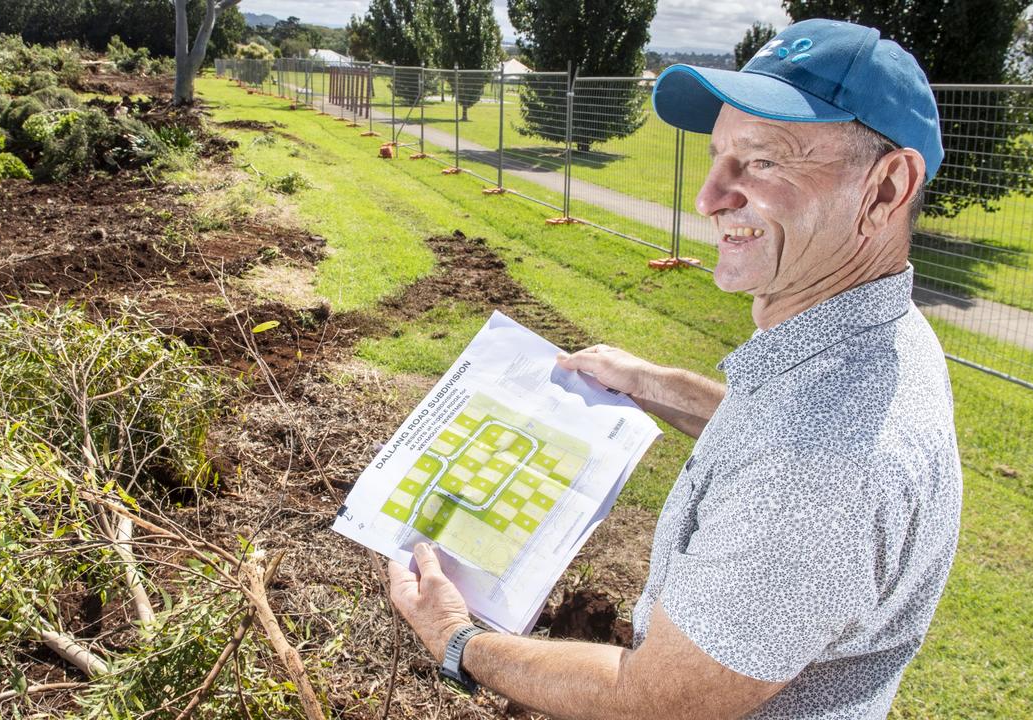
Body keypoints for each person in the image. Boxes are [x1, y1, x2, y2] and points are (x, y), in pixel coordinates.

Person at [388, 18, 962, 720]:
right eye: (719, 155)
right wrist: (651, 382)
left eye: (762, 162)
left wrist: (456, 638)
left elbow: (657, 697)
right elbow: (763, 431)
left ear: (884, 188)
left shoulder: (818, 470)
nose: (709, 196)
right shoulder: (879, 338)